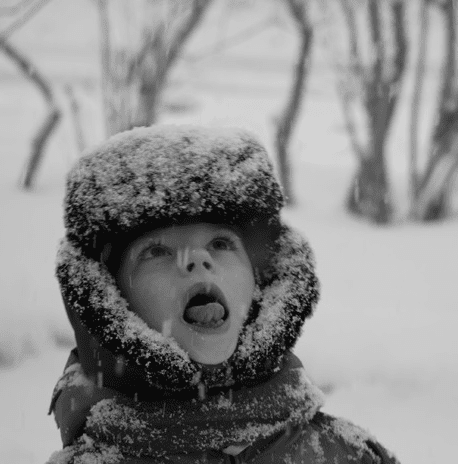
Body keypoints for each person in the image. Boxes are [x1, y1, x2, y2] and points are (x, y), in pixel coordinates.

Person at [45, 125, 400, 463]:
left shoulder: (348, 456)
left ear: (260, 280)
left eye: (220, 243)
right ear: (109, 298)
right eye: (156, 252)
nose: (197, 260)